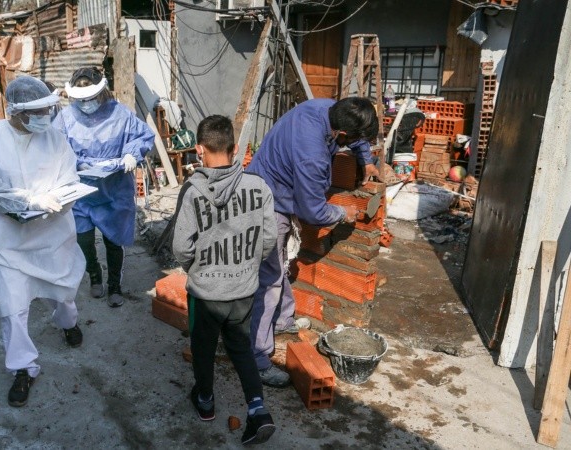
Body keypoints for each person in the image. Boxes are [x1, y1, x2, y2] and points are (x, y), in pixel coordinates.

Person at [245, 97, 380, 387]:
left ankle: (282, 322)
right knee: (268, 280)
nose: (355, 143)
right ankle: (257, 358)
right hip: (265, 201)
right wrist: (343, 213)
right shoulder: (313, 155)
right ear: (341, 134)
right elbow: (312, 212)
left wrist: (366, 161)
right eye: (353, 140)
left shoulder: (326, 108)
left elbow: (355, 135)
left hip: (275, 188)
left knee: (278, 266)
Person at [0, 76, 86, 407]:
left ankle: (68, 324)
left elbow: (69, 178)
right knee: (13, 307)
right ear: (17, 112)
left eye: (48, 110)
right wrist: (29, 200)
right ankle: (23, 368)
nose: (46, 117)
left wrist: (60, 197)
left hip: (51, 237)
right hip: (6, 241)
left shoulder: (55, 139)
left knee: (62, 294)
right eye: (39, 112)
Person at [172, 115, 278, 445]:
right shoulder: (259, 187)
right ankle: (258, 410)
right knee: (241, 348)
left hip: (206, 295)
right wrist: (247, 266)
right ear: (234, 149)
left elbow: (181, 247)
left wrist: (197, 270)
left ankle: (205, 402)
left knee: (203, 350)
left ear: (199, 149)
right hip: (243, 290)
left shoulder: (192, 192)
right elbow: (269, 238)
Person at [54, 67, 154, 307]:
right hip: (80, 190)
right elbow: (55, 146)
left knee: (113, 239)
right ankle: (94, 273)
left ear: (101, 93)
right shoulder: (65, 117)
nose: (86, 104)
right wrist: (76, 163)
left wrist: (131, 154)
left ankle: (114, 285)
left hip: (114, 189)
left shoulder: (120, 114)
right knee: (83, 240)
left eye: (90, 98)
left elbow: (142, 136)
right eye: (81, 100)